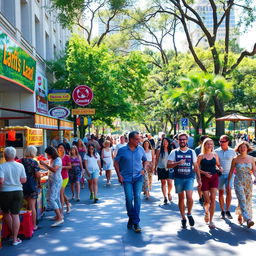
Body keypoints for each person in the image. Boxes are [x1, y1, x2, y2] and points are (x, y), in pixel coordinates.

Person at [114, 131, 147, 233]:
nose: (139, 141)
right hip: (126, 178)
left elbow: (145, 160)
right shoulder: (122, 150)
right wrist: (119, 175)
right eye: (137, 139)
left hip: (138, 177)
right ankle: (131, 217)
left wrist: (144, 169)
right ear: (131, 139)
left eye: (139, 138)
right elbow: (116, 162)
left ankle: (136, 222)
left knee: (137, 197)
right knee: (129, 198)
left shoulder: (140, 149)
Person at [167, 133, 201, 229]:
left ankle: (189, 213)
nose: (182, 141)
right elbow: (168, 165)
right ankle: (183, 218)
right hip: (178, 178)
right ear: (178, 141)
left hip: (189, 177)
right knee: (181, 198)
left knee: (189, 197)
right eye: (180, 139)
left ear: (187, 140)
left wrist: (199, 178)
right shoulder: (174, 152)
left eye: (184, 139)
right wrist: (177, 163)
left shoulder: (192, 152)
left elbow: (196, 166)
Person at [0, 147, 27, 246]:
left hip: (5, 192)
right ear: (14, 155)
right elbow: (24, 180)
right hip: (18, 191)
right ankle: (15, 239)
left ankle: (12, 233)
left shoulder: (2, 166)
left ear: (5, 155)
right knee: (15, 215)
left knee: (6, 213)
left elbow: (1, 181)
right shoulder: (20, 166)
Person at [228, 141, 256, 228]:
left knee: (247, 200)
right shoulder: (235, 159)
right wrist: (228, 183)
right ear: (238, 149)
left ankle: (240, 214)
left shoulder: (251, 158)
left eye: (244, 147)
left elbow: (254, 170)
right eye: (241, 147)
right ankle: (248, 219)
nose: (243, 148)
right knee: (242, 199)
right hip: (238, 181)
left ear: (247, 148)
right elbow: (231, 171)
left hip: (248, 181)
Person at [197, 138, 223, 229]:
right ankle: (206, 212)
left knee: (213, 199)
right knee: (207, 201)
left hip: (214, 178)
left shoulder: (215, 154)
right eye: (208, 144)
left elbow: (218, 164)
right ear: (204, 145)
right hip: (204, 179)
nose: (210, 146)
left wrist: (220, 168)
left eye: (211, 144)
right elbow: (196, 169)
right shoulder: (201, 156)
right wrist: (204, 173)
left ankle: (211, 220)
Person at [40, 146, 63, 227]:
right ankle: (59, 215)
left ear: (51, 153)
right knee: (56, 198)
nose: (47, 156)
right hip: (52, 180)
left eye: (48, 154)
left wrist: (44, 165)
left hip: (56, 181)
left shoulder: (58, 160)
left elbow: (54, 169)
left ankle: (59, 217)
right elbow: (49, 168)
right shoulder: (52, 160)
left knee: (51, 199)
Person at [215, 135, 237, 219]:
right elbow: (215, 163)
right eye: (220, 141)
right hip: (220, 175)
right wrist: (217, 168)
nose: (221, 143)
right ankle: (222, 211)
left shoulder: (232, 151)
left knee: (228, 190)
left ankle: (227, 210)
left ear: (228, 142)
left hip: (230, 174)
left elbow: (235, 163)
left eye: (223, 141)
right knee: (220, 192)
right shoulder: (216, 151)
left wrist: (235, 171)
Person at [21, 146, 41, 231]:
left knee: (26, 206)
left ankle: (26, 224)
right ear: (33, 152)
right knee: (32, 206)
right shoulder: (34, 162)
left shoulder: (21, 161)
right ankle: (34, 225)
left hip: (23, 185)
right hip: (32, 185)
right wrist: (39, 182)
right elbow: (38, 175)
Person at [155, 138, 173, 204]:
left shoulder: (171, 150)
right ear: (162, 143)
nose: (165, 143)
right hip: (161, 168)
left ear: (168, 143)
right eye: (164, 142)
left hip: (169, 168)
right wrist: (155, 168)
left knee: (170, 183)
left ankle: (169, 193)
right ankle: (165, 197)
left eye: (166, 142)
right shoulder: (159, 150)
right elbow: (156, 159)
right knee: (163, 183)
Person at [57, 143, 72, 214]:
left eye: (62, 148)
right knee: (61, 193)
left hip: (64, 177)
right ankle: (68, 204)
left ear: (64, 149)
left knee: (60, 193)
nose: (60, 149)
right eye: (59, 147)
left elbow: (70, 166)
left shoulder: (67, 157)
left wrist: (63, 167)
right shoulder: (56, 157)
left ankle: (61, 211)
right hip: (57, 177)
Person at [195, 135, 208, 205]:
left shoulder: (210, 148)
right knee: (200, 184)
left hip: (208, 169)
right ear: (201, 142)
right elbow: (195, 160)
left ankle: (204, 195)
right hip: (199, 169)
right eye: (204, 141)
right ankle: (200, 197)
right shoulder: (197, 149)